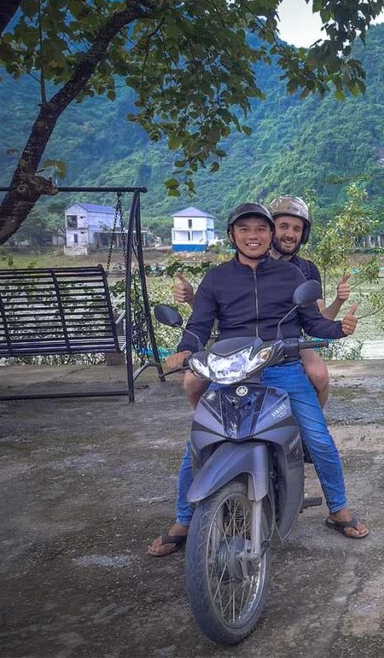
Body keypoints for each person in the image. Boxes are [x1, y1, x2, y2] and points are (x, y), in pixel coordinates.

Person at [148, 203, 367, 557]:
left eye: (261, 230)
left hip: (283, 366)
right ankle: (185, 520)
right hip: (233, 369)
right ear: (233, 235)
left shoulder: (293, 276)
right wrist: (185, 350)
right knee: (200, 443)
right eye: (246, 229)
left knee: (320, 439)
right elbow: (200, 326)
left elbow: (312, 322)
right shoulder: (217, 278)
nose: (254, 236)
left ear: (269, 235)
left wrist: (339, 329)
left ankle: (337, 509)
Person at [173, 195, 348, 408]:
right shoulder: (234, 267)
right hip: (237, 339)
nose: (290, 234)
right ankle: (211, 421)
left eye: (297, 229)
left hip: (287, 338)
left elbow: (316, 319)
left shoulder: (304, 270)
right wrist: (192, 298)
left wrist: (339, 305)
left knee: (319, 375)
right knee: (192, 380)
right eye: (284, 226)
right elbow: (216, 314)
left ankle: (309, 422)